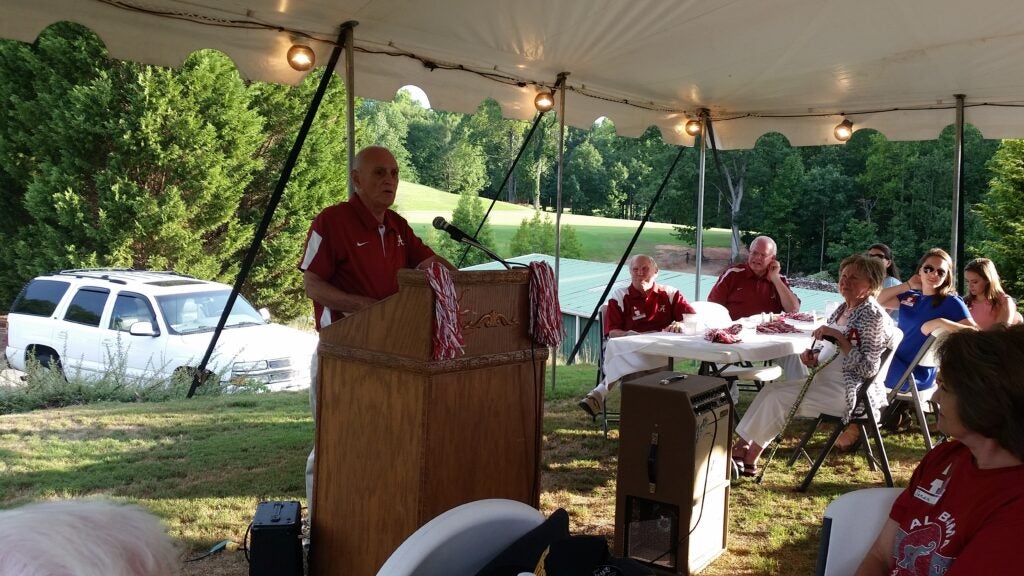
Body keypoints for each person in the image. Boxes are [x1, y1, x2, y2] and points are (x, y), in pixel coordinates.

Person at [297, 145, 454, 520]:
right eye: (380, 173)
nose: (390, 181)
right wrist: (361, 306)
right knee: (334, 442)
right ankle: (322, 528)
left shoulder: (396, 225)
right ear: (356, 179)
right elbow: (312, 284)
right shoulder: (331, 221)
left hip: (391, 352)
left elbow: (429, 262)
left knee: (384, 439)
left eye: (395, 173)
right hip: (344, 351)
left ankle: (372, 521)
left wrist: (464, 276)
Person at [855, 326, 1024, 575]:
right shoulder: (943, 458)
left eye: (944, 387)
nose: (934, 397)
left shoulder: (1014, 505)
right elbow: (881, 555)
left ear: (985, 399)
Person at [730, 254, 894, 476]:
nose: (845, 281)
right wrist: (813, 356)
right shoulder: (842, 309)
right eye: (843, 275)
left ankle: (748, 456)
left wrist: (840, 338)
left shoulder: (873, 317)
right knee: (771, 390)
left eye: (854, 278)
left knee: (777, 398)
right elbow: (829, 348)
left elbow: (868, 368)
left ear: (872, 284)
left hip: (848, 393)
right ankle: (743, 448)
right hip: (823, 381)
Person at [578, 254, 696, 417]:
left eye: (645, 269)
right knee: (629, 351)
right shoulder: (619, 296)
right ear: (630, 272)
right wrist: (629, 335)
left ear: (656, 271)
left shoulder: (669, 293)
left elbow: (692, 318)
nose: (639, 273)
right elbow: (612, 333)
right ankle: (633, 413)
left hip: (659, 347)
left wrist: (680, 323)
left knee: (638, 354)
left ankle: (601, 392)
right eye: (635, 269)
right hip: (630, 344)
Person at [877, 248, 976, 394]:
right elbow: (877, 300)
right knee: (861, 356)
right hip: (894, 361)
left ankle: (857, 413)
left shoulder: (951, 301)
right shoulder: (911, 296)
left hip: (914, 373)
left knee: (863, 363)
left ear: (946, 276)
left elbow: (975, 332)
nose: (934, 274)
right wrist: (908, 285)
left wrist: (941, 322)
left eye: (940, 271)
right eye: (928, 269)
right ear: (920, 271)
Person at [708, 235, 801, 321]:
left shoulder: (779, 280)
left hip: (768, 333)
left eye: (763, 255)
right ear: (749, 253)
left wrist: (775, 279)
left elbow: (793, 310)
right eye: (754, 253)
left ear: (773, 259)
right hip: (734, 333)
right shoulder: (732, 274)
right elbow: (712, 307)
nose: (757, 258)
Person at [963, 257, 1017, 330]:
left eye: (975, 282)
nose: (969, 286)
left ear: (988, 280)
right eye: (967, 281)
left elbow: (999, 333)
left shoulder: (1004, 301)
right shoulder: (964, 302)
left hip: (994, 340)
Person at [867, 243, 901, 322]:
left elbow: (882, 315)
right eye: (870, 256)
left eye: (879, 256)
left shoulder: (893, 284)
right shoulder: (865, 282)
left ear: (888, 263)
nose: (873, 259)